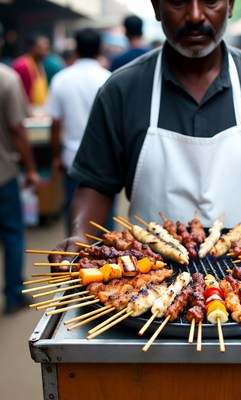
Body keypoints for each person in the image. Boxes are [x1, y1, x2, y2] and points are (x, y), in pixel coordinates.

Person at [50, 0, 241, 277]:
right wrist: (80, 235)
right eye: (178, 1)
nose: (196, 14)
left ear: (230, 4)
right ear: (156, 5)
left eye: (211, 0)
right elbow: (95, 184)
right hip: (143, 280)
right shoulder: (121, 89)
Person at [46, 28, 114, 234]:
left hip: (72, 157)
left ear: (75, 48)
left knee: (74, 213)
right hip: (106, 160)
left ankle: (74, 262)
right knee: (105, 218)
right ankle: (108, 263)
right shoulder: (110, 79)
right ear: (100, 48)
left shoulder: (62, 79)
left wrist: (55, 157)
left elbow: (55, 123)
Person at [0, 22, 40, 313]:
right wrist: (30, 169)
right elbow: (18, 130)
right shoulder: (7, 79)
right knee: (12, 233)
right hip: (3, 173)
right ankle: (14, 294)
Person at [12, 32, 50, 108]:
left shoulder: (39, 64)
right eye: (42, 47)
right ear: (32, 48)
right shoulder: (22, 66)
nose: (46, 50)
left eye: (48, 47)